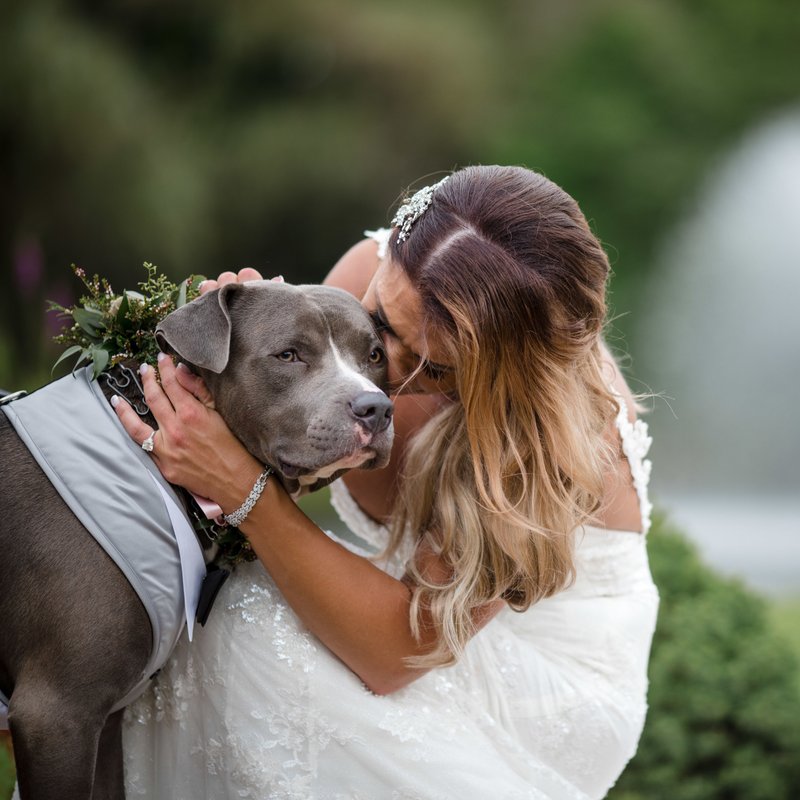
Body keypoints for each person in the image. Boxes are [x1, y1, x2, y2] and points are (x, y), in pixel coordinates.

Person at [117, 165, 659, 800]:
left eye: (435, 367)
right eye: (381, 327)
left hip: (537, 688)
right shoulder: (358, 285)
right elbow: (261, 434)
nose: (384, 375)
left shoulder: (544, 437)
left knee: (235, 619)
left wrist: (244, 490)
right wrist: (239, 351)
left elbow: (396, 650)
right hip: (399, 611)